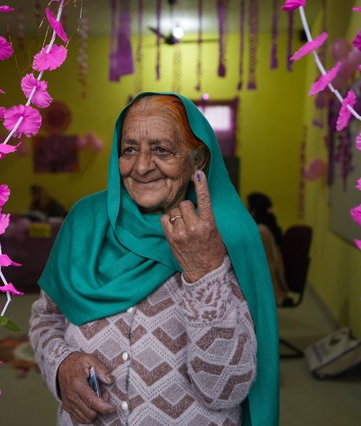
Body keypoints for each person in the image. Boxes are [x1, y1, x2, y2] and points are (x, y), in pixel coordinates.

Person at [29, 93, 279, 425]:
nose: (143, 166)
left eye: (161, 149)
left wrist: (204, 273)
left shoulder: (225, 235)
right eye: (129, 149)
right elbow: (46, 317)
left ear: (197, 160)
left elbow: (223, 390)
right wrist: (61, 364)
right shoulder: (85, 221)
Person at [247, 193, 289, 306]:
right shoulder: (268, 227)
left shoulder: (261, 231)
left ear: (254, 210)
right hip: (269, 281)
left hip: (268, 286)